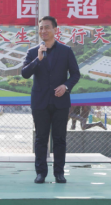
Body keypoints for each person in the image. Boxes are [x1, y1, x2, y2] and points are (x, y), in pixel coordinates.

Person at [22, 16, 80, 184]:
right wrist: (38, 59)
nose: (43, 30)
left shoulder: (66, 51)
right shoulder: (33, 52)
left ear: (55, 30)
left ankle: (59, 173)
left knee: (59, 139)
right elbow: (25, 73)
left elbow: (75, 74)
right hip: (40, 102)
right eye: (41, 28)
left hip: (60, 102)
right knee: (41, 138)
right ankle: (41, 173)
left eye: (47, 27)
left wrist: (66, 86)